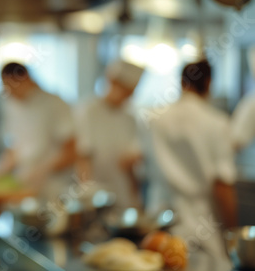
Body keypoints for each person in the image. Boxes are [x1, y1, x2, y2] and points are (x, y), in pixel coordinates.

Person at [149, 60, 237, 268]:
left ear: (181, 82)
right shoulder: (216, 122)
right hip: (202, 226)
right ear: (208, 83)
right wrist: (232, 235)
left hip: (159, 222)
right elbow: (222, 187)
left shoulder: (156, 119)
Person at [0, 62, 76, 196]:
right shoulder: (11, 105)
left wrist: (43, 170)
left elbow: (71, 150)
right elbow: (13, 146)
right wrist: (0, 168)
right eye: (6, 88)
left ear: (25, 78)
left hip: (54, 186)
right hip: (23, 184)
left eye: (13, 87)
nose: (11, 93)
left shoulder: (55, 103)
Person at [75, 59, 144, 209]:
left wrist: (136, 197)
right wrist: (88, 194)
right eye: (125, 91)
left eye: (130, 93)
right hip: (97, 196)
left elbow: (130, 165)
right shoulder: (88, 111)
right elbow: (83, 157)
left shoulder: (129, 118)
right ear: (111, 82)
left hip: (122, 193)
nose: (127, 97)